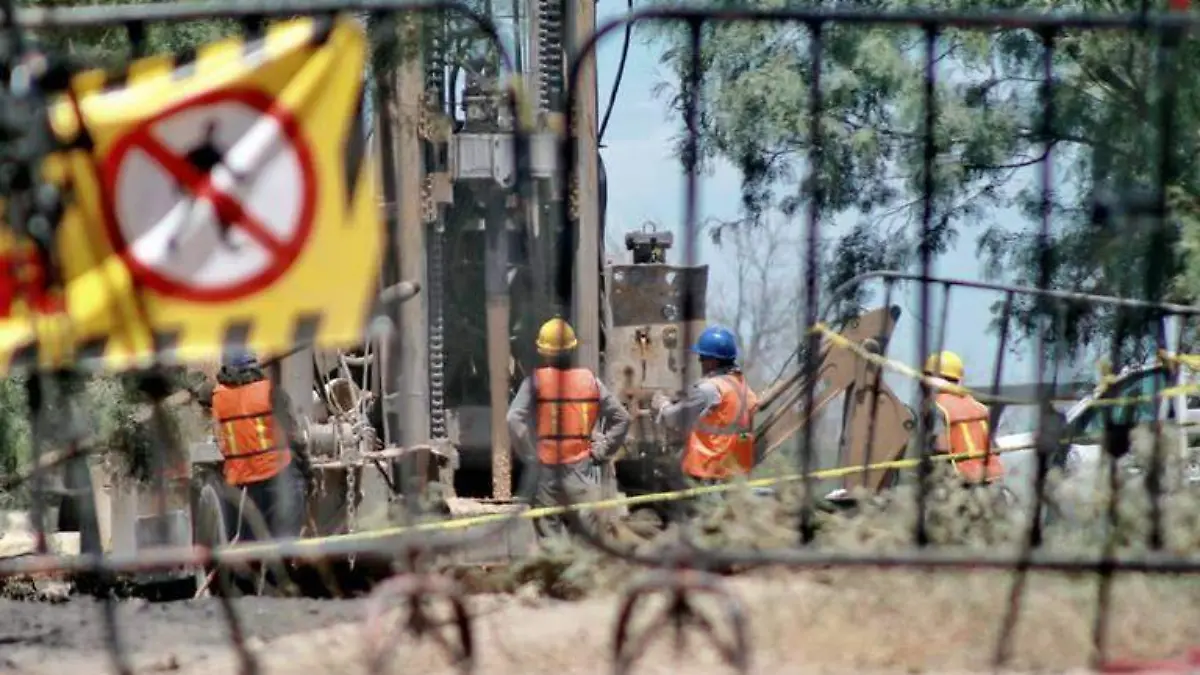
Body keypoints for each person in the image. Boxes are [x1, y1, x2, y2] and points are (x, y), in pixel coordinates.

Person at [507, 317, 631, 538]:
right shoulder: (590, 381)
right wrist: (602, 451)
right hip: (581, 469)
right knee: (588, 540)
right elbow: (622, 418)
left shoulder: (535, 382)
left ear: (543, 351)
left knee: (550, 539)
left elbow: (513, 420)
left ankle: (556, 570)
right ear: (572, 349)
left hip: (546, 472)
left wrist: (529, 454)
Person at [196, 351, 311, 541]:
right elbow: (295, 439)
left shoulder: (217, 398)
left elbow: (202, 394)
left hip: (243, 484)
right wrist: (308, 474)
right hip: (279, 477)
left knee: (251, 546)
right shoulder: (272, 393)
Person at [652, 325, 759, 489]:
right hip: (735, 470)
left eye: (702, 358)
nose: (700, 362)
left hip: (709, 468)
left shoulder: (709, 389)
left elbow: (674, 418)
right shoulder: (742, 386)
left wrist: (662, 404)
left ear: (712, 361)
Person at [922, 350, 1004, 484]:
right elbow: (995, 447)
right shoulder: (979, 407)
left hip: (959, 479)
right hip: (990, 476)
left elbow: (941, 447)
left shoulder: (937, 406)